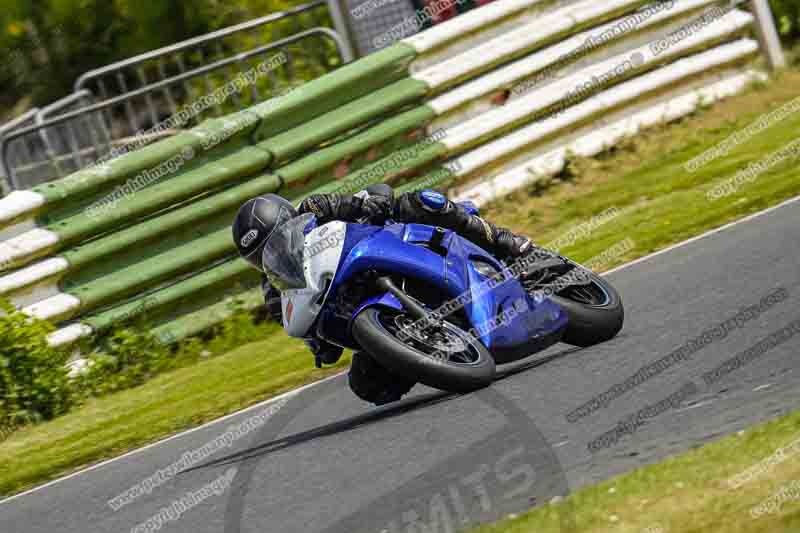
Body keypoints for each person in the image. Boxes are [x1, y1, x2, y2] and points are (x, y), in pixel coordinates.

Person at [232, 185, 537, 405]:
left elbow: (369, 196)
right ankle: (427, 352)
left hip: (389, 247)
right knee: (368, 388)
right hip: (366, 310)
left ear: (289, 220)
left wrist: (372, 203)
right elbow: (322, 344)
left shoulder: (317, 208)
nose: (268, 259)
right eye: (259, 257)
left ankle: (501, 241)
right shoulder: (275, 293)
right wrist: (319, 346)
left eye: (272, 244)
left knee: (419, 202)